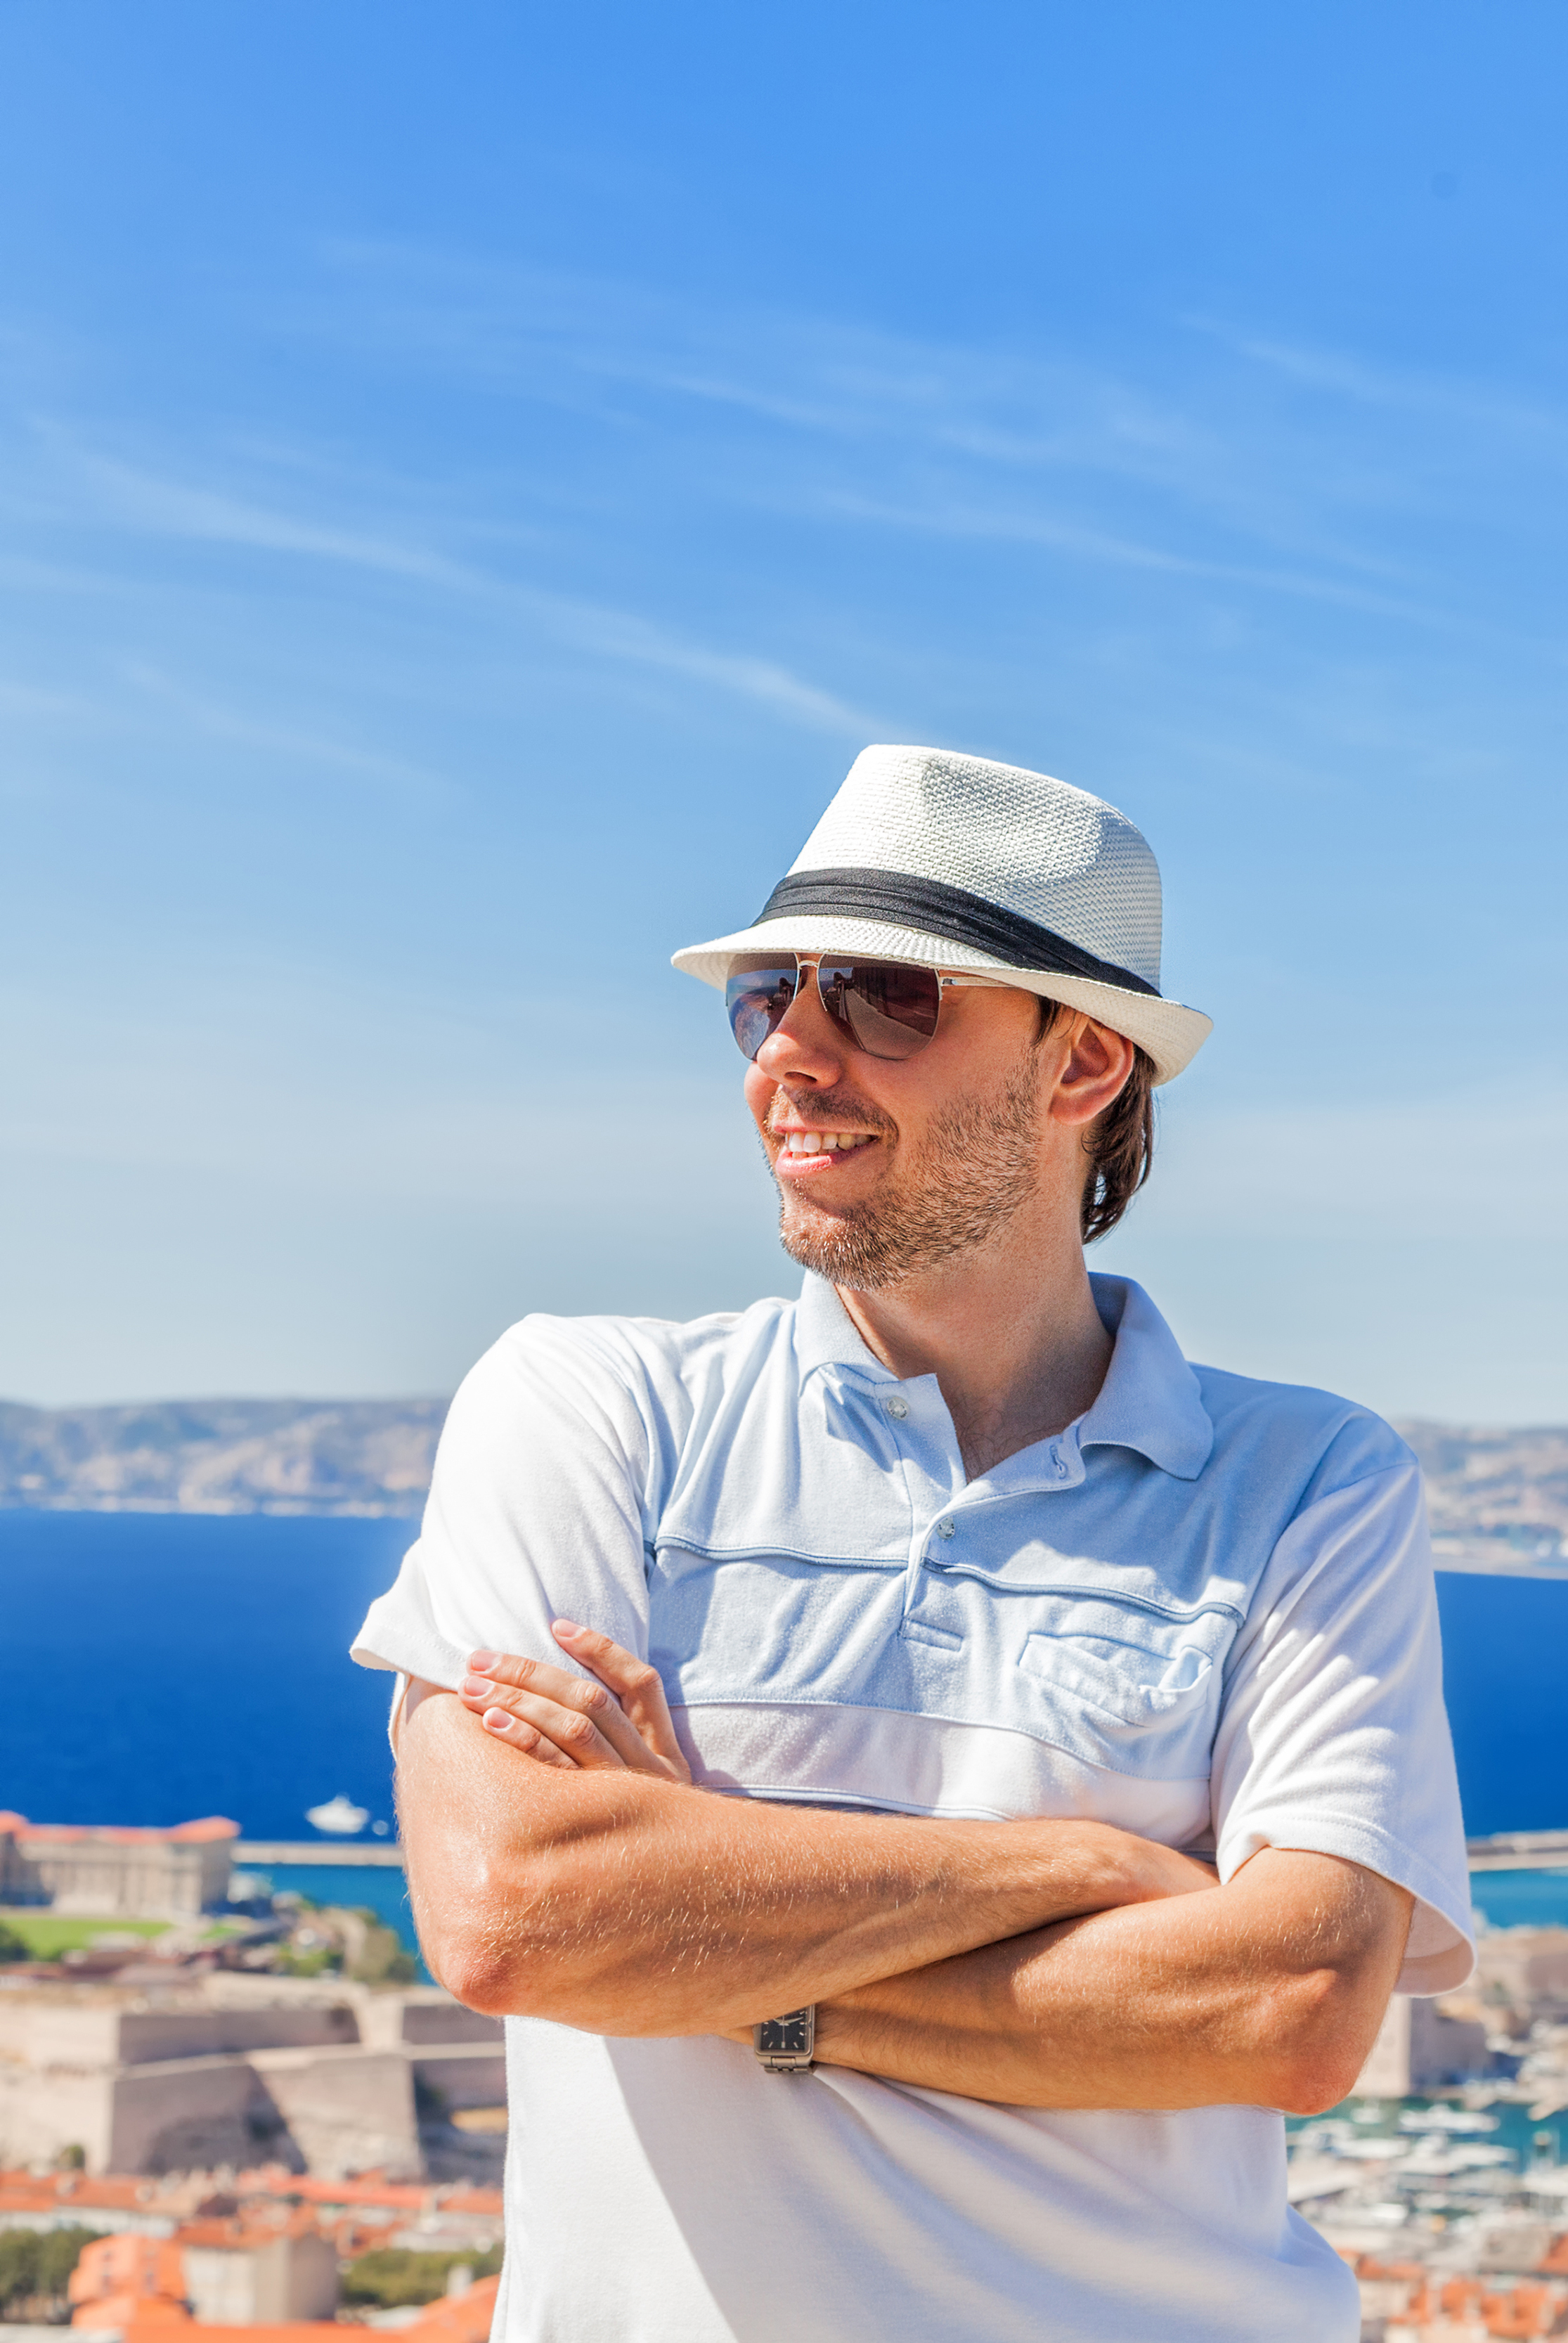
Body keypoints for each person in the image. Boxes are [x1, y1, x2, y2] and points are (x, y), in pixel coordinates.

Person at [350, 745, 1472, 2340]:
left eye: (885, 995)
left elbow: (1282, 2005)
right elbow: (514, 1907)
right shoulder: (591, 1401)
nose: (791, 1052)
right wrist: (1071, 1869)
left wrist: (715, 1931)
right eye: (768, 994)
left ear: (1082, 1066)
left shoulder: (1308, 1479)